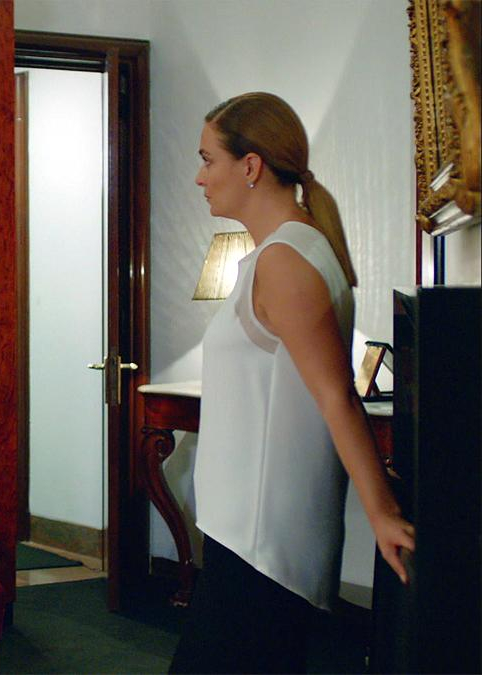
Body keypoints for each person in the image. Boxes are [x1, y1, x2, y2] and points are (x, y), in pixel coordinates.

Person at [169, 92, 415, 673]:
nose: (200, 177)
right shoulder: (285, 253)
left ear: (250, 166)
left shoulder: (285, 260)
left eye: (208, 160)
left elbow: (337, 397)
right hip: (248, 539)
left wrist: (382, 512)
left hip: (261, 548)